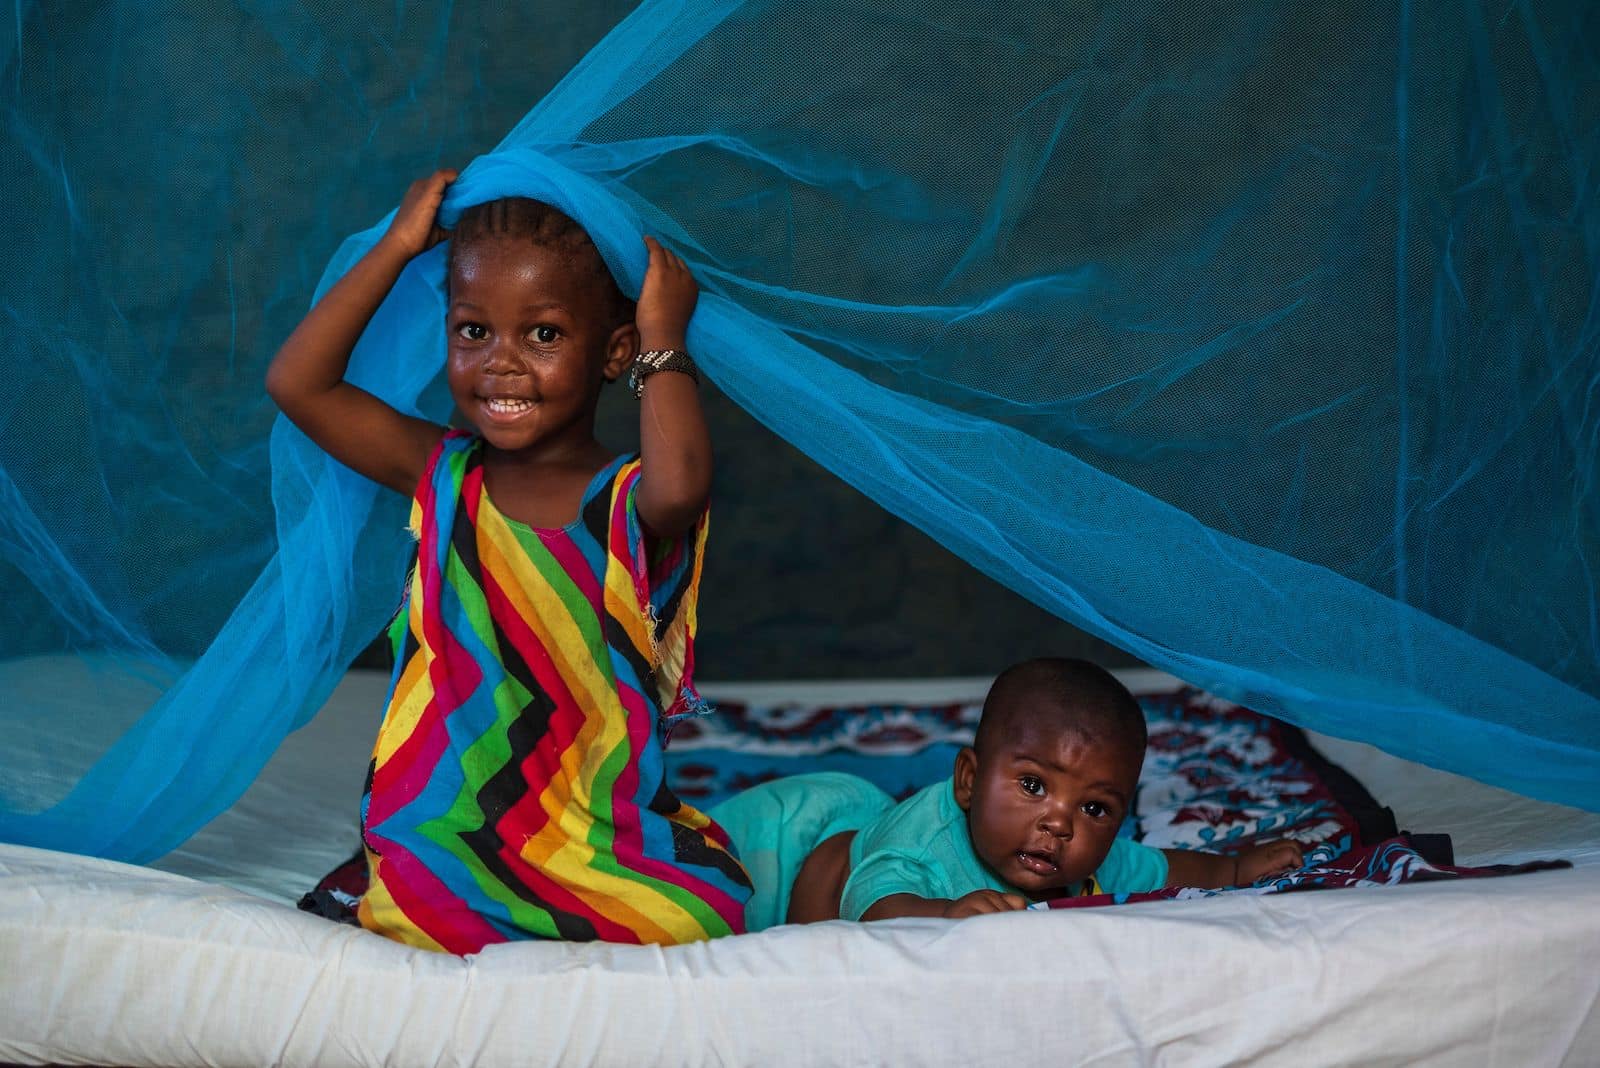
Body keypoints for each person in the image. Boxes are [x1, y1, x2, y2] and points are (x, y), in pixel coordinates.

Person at [267, 169, 751, 952]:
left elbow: (682, 490)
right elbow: (299, 383)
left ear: (613, 351)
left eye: (544, 335)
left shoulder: (627, 499)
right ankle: (425, 886)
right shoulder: (443, 474)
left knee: (704, 912)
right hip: (449, 818)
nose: (501, 362)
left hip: (591, 821)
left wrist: (664, 340)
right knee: (423, 898)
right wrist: (395, 247)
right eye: (473, 331)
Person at [711, 658, 1304, 929]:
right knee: (701, 887)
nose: (1060, 824)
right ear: (969, 781)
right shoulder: (922, 842)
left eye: (1094, 807)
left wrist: (1232, 869)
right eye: (1032, 785)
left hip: (857, 842)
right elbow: (874, 907)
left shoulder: (1085, 858)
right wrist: (944, 914)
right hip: (787, 852)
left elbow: (1161, 867)